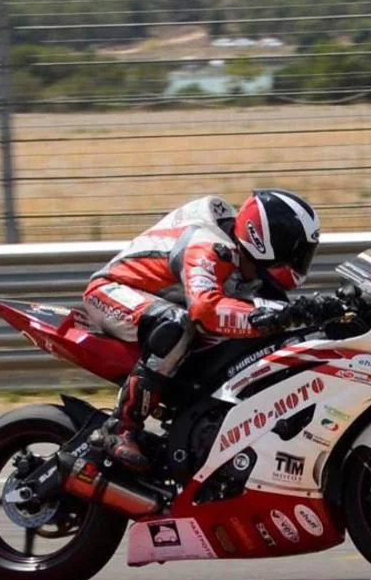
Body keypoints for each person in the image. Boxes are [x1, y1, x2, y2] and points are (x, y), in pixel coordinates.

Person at [83, 189, 338, 472]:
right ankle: (120, 427)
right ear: (268, 241)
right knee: (176, 327)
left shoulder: (251, 263)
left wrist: (321, 311)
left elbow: (277, 314)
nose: (301, 261)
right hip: (113, 292)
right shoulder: (208, 245)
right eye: (296, 251)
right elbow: (205, 312)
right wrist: (275, 317)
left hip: (165, 300)